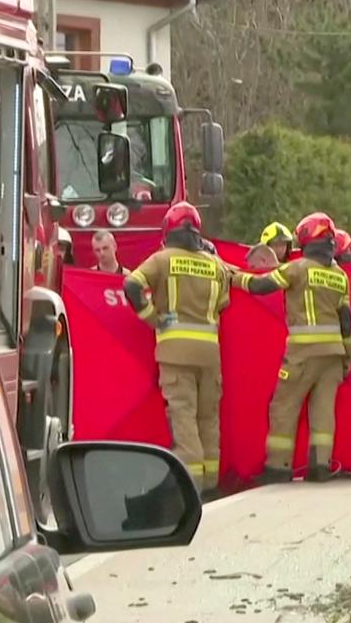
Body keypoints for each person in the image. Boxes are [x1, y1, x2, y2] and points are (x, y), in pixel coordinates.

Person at [122, 202, 232, 499]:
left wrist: (152, 318)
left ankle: (191, 485)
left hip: (175, 352)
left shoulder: (162, 260)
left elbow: (131, 285)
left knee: (183, 416)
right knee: (208, 418)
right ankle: (211, 483)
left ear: (168, 231)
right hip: (210, 354)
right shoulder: (217, 265)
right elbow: (224, 304)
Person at [241, 212, 351, 484]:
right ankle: (320, 467)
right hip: (334, 356)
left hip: (303, 355)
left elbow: (261, 285)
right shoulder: (341, 276)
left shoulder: (298, 268)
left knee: (284, 407)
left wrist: (233, 276)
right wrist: (348, 358)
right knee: (323, 413)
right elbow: (347, 321)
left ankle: (278, 469)